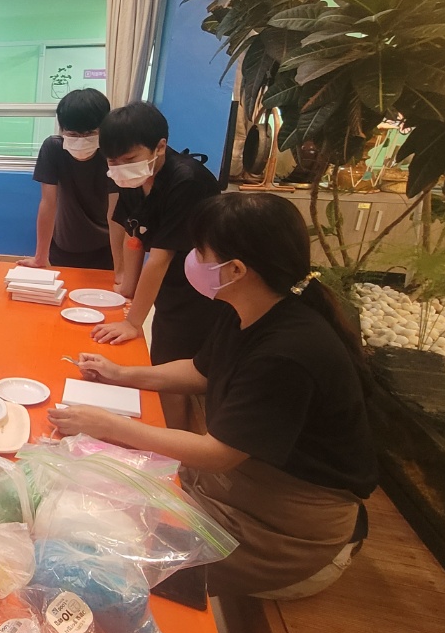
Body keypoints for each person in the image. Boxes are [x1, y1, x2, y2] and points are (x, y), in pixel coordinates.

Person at [48, 191, 377, 599]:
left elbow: (219, 453)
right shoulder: (246, 307)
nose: (192, 260)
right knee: (86, 499)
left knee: (103, 559)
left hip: (283, 533)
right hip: (236, 491)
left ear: (236, 269)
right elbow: (202, 370)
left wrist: (108, 425)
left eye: (200, 252)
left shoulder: (289, 351)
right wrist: (122, 374)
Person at [92, 101, 221, 430]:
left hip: (203, 288)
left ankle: (176, 446)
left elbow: (160, 257)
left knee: (171, 370)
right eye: (112, 162)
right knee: (160, 356)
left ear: (160, 146)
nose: (120, 168)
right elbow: (134, 236)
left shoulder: (186, 181)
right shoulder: (136, 179)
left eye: (129, 160)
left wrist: (133, 322)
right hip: (172, 282)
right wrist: (126, 291)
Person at [19, 87, 119, 273]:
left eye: (89, 133)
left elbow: (115, 214)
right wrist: (40, 257)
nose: (81, 140)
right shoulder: (53, 148)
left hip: (106, 247)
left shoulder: (112, 153)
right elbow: (48, 203)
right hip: (65, 243)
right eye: (73, 134)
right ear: (62, 129)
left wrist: (121, 269)